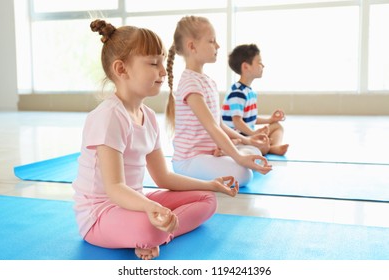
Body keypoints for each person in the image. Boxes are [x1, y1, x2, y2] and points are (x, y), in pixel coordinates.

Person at [72, 19, 240, 261]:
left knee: (207, 200)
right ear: (121, 70)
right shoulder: (109, 117)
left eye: (162, 61)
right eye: (153, 63)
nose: (163, 71)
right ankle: (155, 233)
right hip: (100, 215)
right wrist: (152, 209)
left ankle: (162, 234)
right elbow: (115, 188)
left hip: (134, 202)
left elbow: (163, 177)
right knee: (150, 226)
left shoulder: (148, 117)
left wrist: (210, 184)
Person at [165, 16, 272, 187]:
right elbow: (212, 127)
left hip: (209, 154)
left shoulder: (207, 81)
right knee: (243, 174)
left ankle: (228, 154)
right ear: (192, 46)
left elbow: (220, 124)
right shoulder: (190, 83)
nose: (218, 46)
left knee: (254, 151)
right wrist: (238, 157)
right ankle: (229, 156)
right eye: (212, 41)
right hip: (190, 161)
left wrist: (248, 141)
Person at [222, 44, 289, 155]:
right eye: (259, 62)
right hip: (239, 136)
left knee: (277, 126)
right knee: (260, 145)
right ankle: (269, 148)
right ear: (246, 67)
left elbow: (250, 118)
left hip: (248, 134)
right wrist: (253, 134)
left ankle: (273, 146)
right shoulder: (237, 92)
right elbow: (237, 121)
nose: (263, 65)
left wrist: (269, 120)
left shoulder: (250, 92)